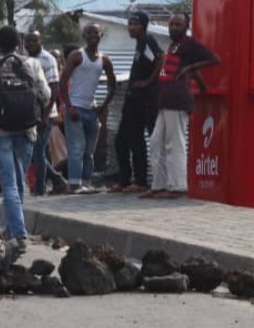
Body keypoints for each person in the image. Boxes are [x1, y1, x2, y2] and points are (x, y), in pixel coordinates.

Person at [0, 26, 51, 252]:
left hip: (1, 132)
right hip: (27, 131)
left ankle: (18, 233)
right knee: (19, 183)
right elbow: (46, 96)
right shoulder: (32, 64)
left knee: (8, 184)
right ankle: (13, 228)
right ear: (19, 44)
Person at [142, 14, 220, 200]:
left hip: (177, 100)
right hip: (165, 101)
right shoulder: (173, 46)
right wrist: (197, 79)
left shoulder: (189, 43)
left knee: (174, 144)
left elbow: (214, 59)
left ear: (186, 26)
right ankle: (159, 185)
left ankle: (177, 187)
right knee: (155, 143)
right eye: (171, 24)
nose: (173, 27)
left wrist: (188, 69)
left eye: (178, 24)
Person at [60, 23, 117, 193]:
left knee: (89, 150)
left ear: (101, 35)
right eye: (89, 32)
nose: (93, 35)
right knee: (76, 147)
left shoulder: (104, 60)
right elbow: (63, 82)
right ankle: (75, 184)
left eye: (96, 32)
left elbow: (112, 85)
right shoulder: (77, 56)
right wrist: (69, 106)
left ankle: (86, 182)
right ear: (84, 36)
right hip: (75, 108)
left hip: (91, 110)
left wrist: (103, 105)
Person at [112, 11, 163, 194]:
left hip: (143, 100)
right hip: (132, 98)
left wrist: (148, 82)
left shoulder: (148, 40)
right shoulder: (139, 44)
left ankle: (140, 181)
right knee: (121, 141)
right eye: (129, 24)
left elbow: (160, 59)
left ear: (143, 26)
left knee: (136, 140)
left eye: (134, 24)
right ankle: (124, 180)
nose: (130, 28)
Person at [24, 31, 69, 196]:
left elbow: (54, 88)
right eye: (27, 41)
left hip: (46, 114)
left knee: (37, 151)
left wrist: (45, 115)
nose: (30, 44)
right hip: (31, 113)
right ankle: (57, 180)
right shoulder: (25, 60)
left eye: (34, 41)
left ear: (41, 41)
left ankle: (40, 189)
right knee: (34, 153)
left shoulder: (48, 59)